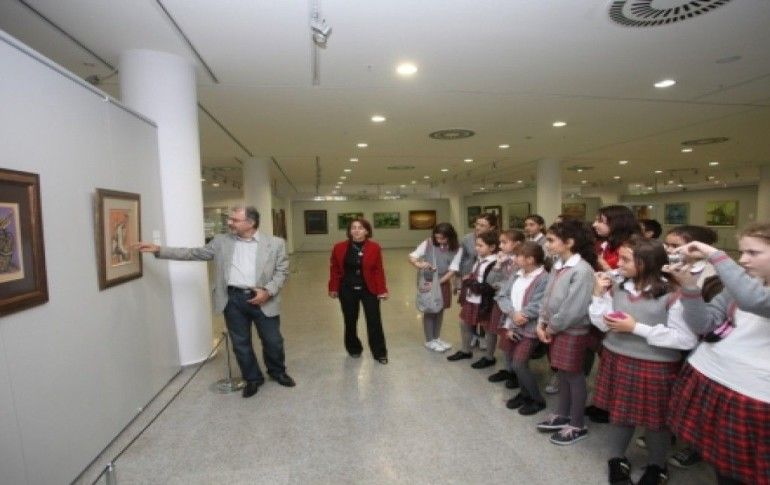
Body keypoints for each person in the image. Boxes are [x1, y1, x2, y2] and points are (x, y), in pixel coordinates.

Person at [136, 206, 294, 399]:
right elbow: (194, 253)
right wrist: (160, 250)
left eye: (235, 220)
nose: (229, 222)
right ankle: (253, 378)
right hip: (233, 299)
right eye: (230, 219)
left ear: (251, 223)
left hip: (263, 298)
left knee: (273, 341)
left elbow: (282, 272)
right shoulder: (221, 242)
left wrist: (267, 292)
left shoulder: (275, 243)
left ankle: (277, 372)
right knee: (240, 343)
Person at [589, 236, 697, 485]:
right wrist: (597, 296)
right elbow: (602, 323)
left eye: (626, 259)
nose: (618, 263)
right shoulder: (618, 286)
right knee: (620, 414)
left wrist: (635, 328)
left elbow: (685, 339)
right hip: (616, 357)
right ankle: (616, 458)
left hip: (655, 365)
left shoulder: (672, 294)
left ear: (646, 263)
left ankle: (657, 466)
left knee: (657, 422)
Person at [667, 224, 770, 485]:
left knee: (748, 472)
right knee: (723, 467)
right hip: (713, 378)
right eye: (742, 252)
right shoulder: (744, 283)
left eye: (753, 253)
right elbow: (705, 323)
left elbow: (754, 300)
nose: (743, 259)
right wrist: (689, 287)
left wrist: (715, 255)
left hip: (752, 395)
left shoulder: (745, 288)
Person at [535, 219, 597, 445]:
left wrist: (551, 327)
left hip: (571, 330)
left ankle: (577, 423)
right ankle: (563, 414)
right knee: (562, 373)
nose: (547, 244)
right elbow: (547, 297)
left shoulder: (582, 270)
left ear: (569, 242)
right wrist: (541, 322)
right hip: (556, 328)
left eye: (551, 240)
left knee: (574, 375)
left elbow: (574, 309)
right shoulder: (558, 264)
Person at [495, 241, 549, 415]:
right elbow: (502, 295)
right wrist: (512, 314)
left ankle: (537, 400)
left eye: (518, 256)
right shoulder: (517, 274)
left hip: (530, 328)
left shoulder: (544, 278)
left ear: (530, 259)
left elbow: (540, 304)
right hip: (513, 324)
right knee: (514, 361)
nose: (514, 258)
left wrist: (522, 315)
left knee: (519, 364)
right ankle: (524, 394)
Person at [328, 218, 389, 364]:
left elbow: (378, 270)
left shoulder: (374, 247)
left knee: (374, 321)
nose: (356, 230)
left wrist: (382, 289)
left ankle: (379, 352)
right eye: (353, 228)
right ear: (349, 231)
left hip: (369, 289)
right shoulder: (339, 247)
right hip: (347, 289)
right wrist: (333, 287)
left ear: (367, 231)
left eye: (360, 228)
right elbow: (335, 269)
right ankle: (353, 348)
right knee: (350, 320)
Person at [447, 231, 499, 362]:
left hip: (485, 301)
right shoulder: (479, 259)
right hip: (472, 299)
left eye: (481, 245)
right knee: (464, 323)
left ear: (492, 247)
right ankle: (465, 350)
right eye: (476, 245)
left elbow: (489, 286)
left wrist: (469, 282)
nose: (476, 248)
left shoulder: (495, 264)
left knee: (488, 329)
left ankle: (489, 357)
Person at [409, 222, 461, 352]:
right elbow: (412, 256)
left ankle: (436, 338)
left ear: (450, 237)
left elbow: (453, 269)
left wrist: (438, 282)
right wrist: (419, 264)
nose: (439, 240)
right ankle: (429, 340)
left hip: (443, 281)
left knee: (440, 309)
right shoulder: (428, 243)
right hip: (428, 281)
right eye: (437, 237)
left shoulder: (457, 248)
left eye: (442, 238)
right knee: (430, 310)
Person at [486, 229, 526, 383]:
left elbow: (514, 284)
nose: (500, 245)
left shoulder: (521, 262)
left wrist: (501, 285)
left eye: (504, 242)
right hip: (501, 302)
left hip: (514, 306)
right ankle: (508, 369)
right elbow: (490, 281)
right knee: (503, 337)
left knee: (513, 338)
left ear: (517, 244)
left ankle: (516, 372)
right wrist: (497, 264)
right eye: (500, 242)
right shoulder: (503, 259)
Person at [457, 213, 499, 350]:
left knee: (484, 315)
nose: (478, 227)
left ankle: (483, 338)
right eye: (477, 224)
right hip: (469, 279)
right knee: (469, 313)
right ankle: (473, 336)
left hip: (484, 283)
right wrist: (459, 280)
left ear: (492, 227)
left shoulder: (497, 241)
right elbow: (460, 259)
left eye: (482, 225)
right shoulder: (467, 239)